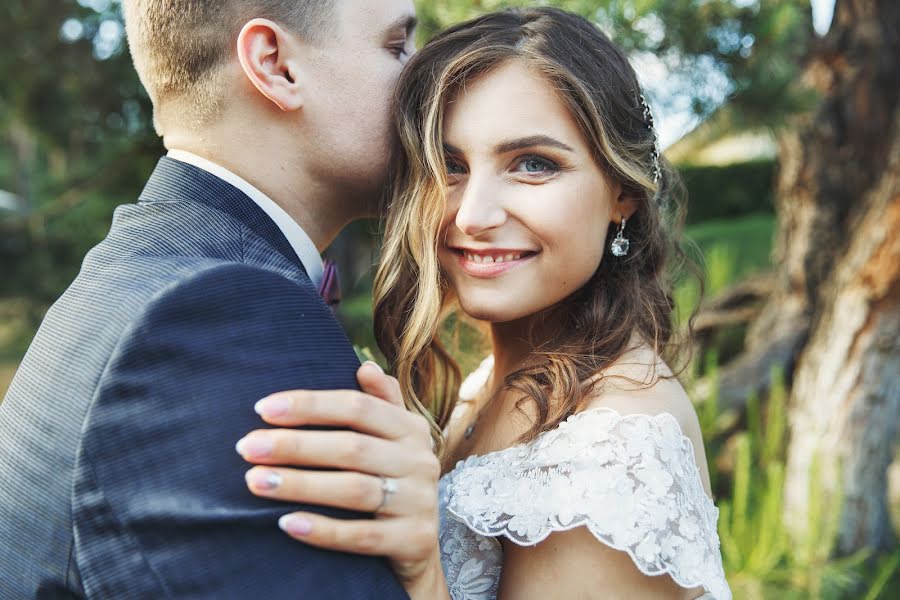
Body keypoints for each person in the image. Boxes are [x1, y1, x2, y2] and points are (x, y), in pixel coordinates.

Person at [237, 8, 732, 600]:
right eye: (449, 165)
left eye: (532, 165)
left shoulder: (612, 449)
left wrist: (423, 572)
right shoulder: (490, 382)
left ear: (621, 192)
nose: (473, 215)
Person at [0, 0, 419, 597]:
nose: (430, 82)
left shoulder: (144, 273)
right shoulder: (220, 317)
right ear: (275, 65)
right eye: (397, 47)